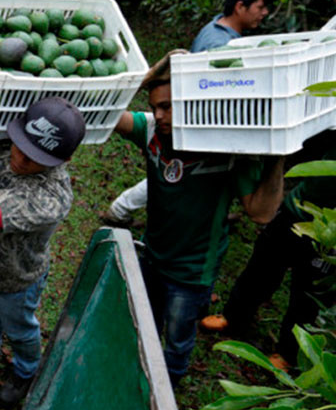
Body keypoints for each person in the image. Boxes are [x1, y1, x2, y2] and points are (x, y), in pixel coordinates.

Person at [112, 50, 285, 386]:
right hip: (152, 255)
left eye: (168, 106)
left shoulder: (229, 151)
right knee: (144, 324)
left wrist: (278, 153)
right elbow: (109, 114)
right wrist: (152, 73)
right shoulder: (152, 133)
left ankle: (169, 385)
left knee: (177, 340)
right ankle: (137, 377)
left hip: (191, 274)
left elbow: (261, 212)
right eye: (154, 107)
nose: (158, 115)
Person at [0, 68, 85, 407]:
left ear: (62, 160)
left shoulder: (50, 199)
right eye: (19, 145)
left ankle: (26, 371)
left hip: (17, 279)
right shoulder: (10, 145)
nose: (18, 158)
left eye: (34, 157)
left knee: (21, 328)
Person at [103, 0, 279, 226]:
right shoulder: (221, 46)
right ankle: (122, 209)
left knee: (173, 173)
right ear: (241, 6)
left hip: (190, 123)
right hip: (196, 126)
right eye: (261, 7)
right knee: (174, 173)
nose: (265, 13)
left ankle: (126, 209)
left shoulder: (217, 29)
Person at [201, 138, 336, 370]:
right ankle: (234, 317)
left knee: (308, 297)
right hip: (297, 210)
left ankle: (287, 352)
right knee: (261, 266)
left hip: (328, 235)